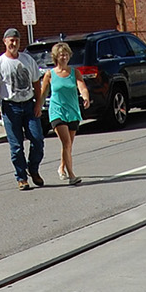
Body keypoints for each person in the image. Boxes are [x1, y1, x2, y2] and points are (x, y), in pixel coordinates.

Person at [0, 28, 44, 190]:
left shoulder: (27, 60)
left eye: (16, 40)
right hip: (10, 108)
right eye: (10, 40)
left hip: (29, 105)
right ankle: (21, 178)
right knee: (16, 145)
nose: (13, 43)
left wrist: (38, 103)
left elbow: (36, 83)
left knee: (38, 140)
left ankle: (33, 169)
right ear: (4, 42)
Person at [41, 41, 90, 185]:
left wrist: (85, 97)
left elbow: (82, 87)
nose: (64, 57)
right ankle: (71, 175)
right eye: (61, 54)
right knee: (66, 142)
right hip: (57, 111)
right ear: (56, 57)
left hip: (72, 111)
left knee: (68, 145)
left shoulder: (74, 73)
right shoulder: (50, 74)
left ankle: (62, 167)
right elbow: (43, 93)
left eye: (66, 54)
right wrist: (37, 107)